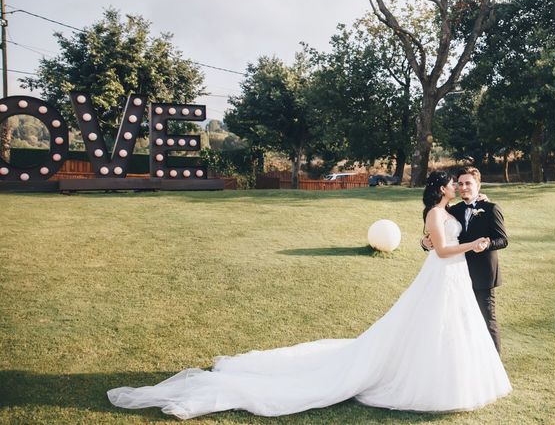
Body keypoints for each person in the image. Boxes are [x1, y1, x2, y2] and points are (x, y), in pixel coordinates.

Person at [107, 171, 511, 419]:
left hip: (455, 278)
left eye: (462, 184)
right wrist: (466, 247)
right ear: (444, 189)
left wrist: (462, 245)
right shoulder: (440, 212)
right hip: (445, 271)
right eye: (453, 184)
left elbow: (449, 238)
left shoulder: (459, 210)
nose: (458, 187)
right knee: (425, 325)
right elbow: (439, 247)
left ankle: (458, 371)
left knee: (453, 327)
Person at [422, 166, 508, 353]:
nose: (463, 187)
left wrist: (487, 244)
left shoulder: (491, 208)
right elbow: (439, 234)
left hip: (483, 273)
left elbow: (503, 240)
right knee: (460, 319)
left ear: (478, 185)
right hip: (456, 272)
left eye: (468, 183)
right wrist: (424, 242)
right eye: (460, 184)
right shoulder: (454, 210)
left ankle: (494, 363)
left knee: (487, 318)